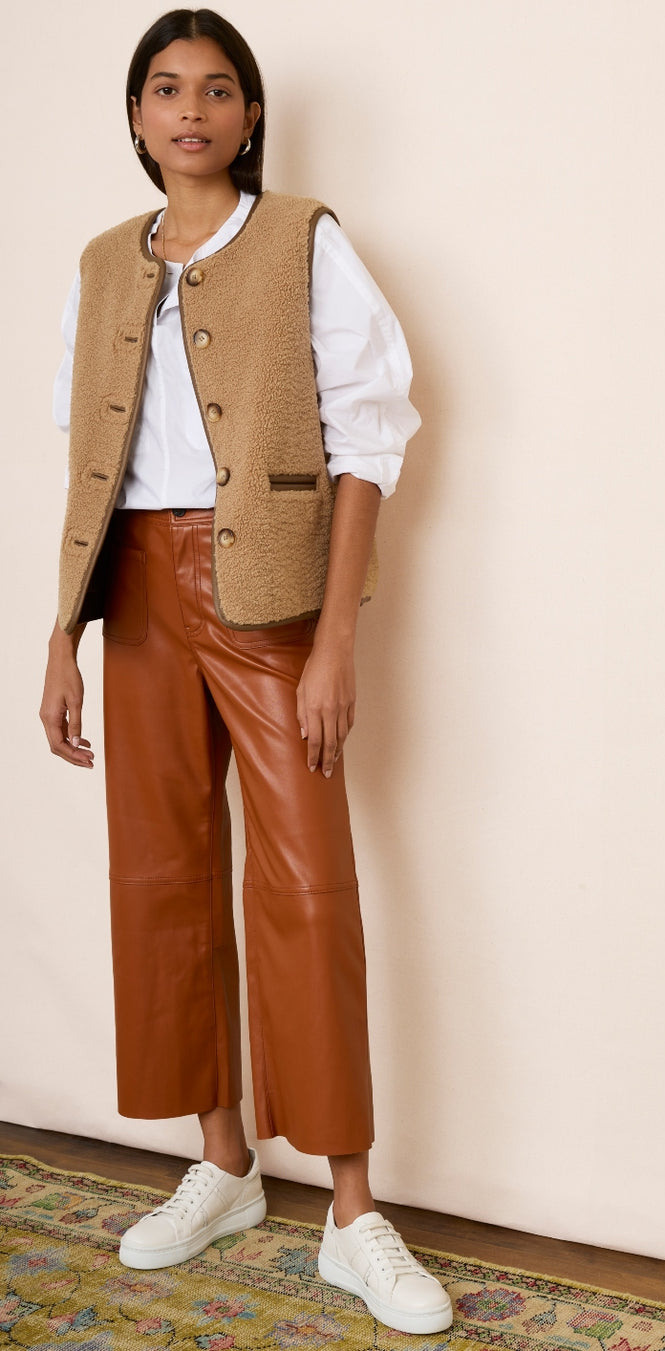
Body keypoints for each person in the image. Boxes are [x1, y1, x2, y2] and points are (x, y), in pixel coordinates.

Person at [38, 7, 452, 1337]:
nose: (192, 110)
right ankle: (221, 1163)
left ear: (251, 115)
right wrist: (61, 635)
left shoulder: (303, 240)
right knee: (160, 876)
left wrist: (335, 638)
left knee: (307, 883)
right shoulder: (103, 262)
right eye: (166, 89)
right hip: (136, 596)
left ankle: (352, 1210)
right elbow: (86, 458)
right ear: (137, 116)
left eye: (218, 90)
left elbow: (371, 439)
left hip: (267, 594)